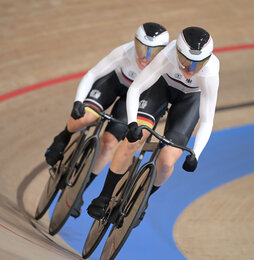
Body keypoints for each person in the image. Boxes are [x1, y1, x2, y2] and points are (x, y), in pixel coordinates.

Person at [87, 26, 220, 224]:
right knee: (134, 140)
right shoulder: (167, 56)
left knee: (167, 162)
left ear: (207, 61)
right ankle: (105, 195)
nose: (190, 70)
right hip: (161, 88)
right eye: (185, 62)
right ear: (177, 54)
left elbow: (207, 119)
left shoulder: (210, 72)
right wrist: (132, 123)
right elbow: (136, 88)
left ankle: (141, 200)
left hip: (189, 99)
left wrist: (196, 154)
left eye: (197, 65)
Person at [44, 22, 170, 216]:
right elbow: (92, 74)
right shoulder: (124, 51)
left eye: (152, 53)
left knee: (109, 144)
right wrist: (79, 101)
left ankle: (80, 191)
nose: (145, 57)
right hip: (113, 84)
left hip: (133, 100)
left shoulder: (164, 66)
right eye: (141, 48)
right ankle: (63, 137)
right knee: (85, 118)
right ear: (134, 43)